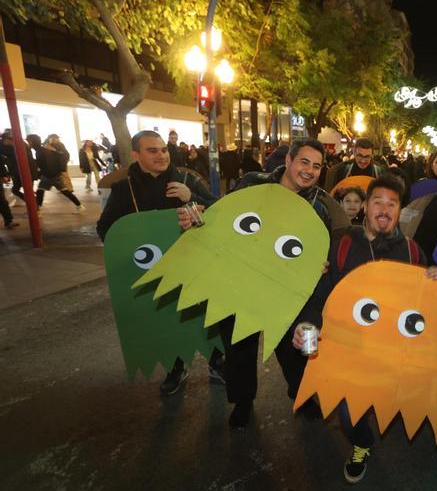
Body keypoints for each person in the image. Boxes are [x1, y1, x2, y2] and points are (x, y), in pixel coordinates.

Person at [293, 175, 437, 484]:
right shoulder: (342, 247)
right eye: (378, 202)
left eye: (392, 204)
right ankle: (362, 444)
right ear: (365, 207)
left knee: (390, 401)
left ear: (399, 211)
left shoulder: (413, 252)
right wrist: (307, 324)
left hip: (394, 350)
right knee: (350, 416)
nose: (384, 210)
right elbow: (320, 295)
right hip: (349, 347)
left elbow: (422, 307)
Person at [179, 138, 333, 429]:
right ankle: (243, 400)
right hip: (240, 279)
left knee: (294, 349)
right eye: (304, 162)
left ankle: (301, 396)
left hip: (285, 288)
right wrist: (196, 220)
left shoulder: (318, 207)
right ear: (288, 160)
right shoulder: (252, 183)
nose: (309, 170)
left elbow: (321, 252)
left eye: (316, 166)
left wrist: (321, 265)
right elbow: (224, 217)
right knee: (239, 346)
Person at [96, 130, 223, 394]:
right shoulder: (124, 189)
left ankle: (216, 361)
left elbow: (220, 212)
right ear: (136, 154)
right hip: (153, 270)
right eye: (152, 150)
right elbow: (106, 229)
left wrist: (193, 198)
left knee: (204, 314)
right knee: (167, 317)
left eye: (163, 149)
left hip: (193, 264)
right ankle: (175, 366)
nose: (161, 155)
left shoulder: (187, 179)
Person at [27, 134, 84, 214]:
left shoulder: (42, 150)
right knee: (62, 192)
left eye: (28, 141)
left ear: (32, 142)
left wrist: (43, 173)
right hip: (53, 175)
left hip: (50, 175)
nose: (28, 143)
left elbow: (48, 163)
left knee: (41, 191)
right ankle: (80, 206)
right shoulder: (43, 149)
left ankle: (37, 211)